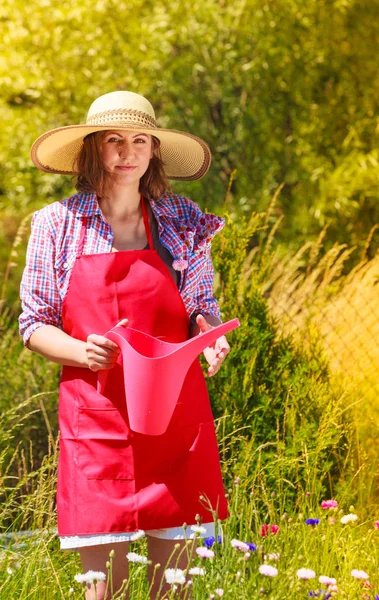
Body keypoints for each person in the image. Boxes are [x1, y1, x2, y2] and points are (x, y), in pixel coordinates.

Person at [19, 91, 231, 600]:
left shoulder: (181, 217)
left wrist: (207, 338)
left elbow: (201, 301)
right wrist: (78, 350)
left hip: (174, 416)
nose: (127, 151)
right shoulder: (56, 224)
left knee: (174, 585)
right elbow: (34, 323)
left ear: (154, 151)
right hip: (96, 418)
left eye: (140, 140)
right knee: (104, 588)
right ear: (93, 149)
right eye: (114, 140)